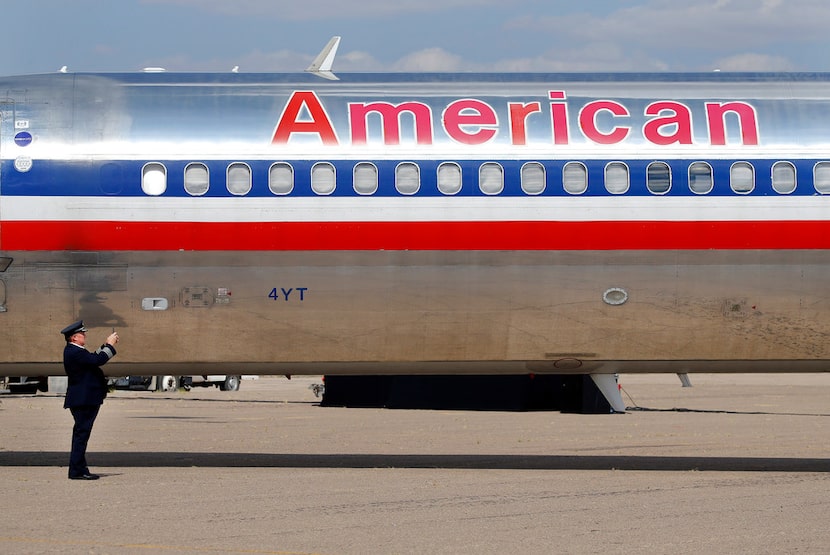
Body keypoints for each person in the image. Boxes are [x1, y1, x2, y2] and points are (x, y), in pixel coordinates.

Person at [60, 320, 119, 480]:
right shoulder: (74, 352)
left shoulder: (76, 351)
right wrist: (111, 346)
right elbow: (97, 360)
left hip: (84, 399)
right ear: (74, 338)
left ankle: (79, 469)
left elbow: (92, 357)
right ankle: (77, 471)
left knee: (81, 435)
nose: (84, 335)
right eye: (81, 334)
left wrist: (105, 345)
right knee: (81, 435)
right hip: (84, 400)